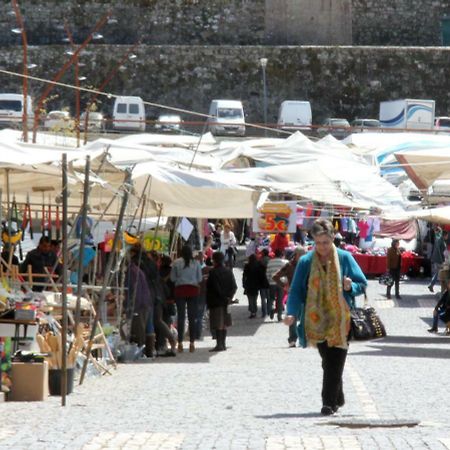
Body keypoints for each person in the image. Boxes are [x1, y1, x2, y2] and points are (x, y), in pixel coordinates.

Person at [285, 219, 367, 416]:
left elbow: (361, 283)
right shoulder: (305, 261)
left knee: (335, 360)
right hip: (316, 318)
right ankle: (337, 395)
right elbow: (296, 290)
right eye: (318, 242)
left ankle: (328, 402)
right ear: (313, 241)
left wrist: (350, 286)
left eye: (325, 242)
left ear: (332, 239)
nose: (322, 247)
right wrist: (291, 313)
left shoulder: (345, 258)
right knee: (327, 360)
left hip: (342, 318)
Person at [170, 245, 202, 353]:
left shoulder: (176, 263)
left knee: (181, 316)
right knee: (192, 317)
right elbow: (200, 278)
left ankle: (180, 343)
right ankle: (192, 343)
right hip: (193, 290)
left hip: (180, 290)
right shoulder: (196, 263)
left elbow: (172, 278)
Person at [273, 246, 306, 347]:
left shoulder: (307, 265)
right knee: (293, 317)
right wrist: (284, 286)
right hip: (293, 295)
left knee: (305, 317)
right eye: (300, 255)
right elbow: (275, 276)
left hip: (305, 293)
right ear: (295, 255)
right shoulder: (289, 265)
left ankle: (303, 338)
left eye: (304, 255)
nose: (302, 257)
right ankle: (292, 339)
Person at [206, 251, 237, 352]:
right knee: (224, 323)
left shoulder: (213, 272)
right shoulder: (228, 271)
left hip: (216, 301)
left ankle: (219, 344)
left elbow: (215, 287)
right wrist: (229, 297)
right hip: (226, 301)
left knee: (218, 323)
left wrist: (223, 297)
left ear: (214, 260)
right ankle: (223, 344)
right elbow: (234, 286)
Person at [266, 249, 288, 321]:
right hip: (281, 283)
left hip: (272, 283)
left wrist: (269, 280)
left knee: (272, 298)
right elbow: (287, 273)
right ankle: (279, 316)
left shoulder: (270, 262)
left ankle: (272, 308)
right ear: (282, 255)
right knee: (280, 299)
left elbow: (267, 273)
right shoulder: (284, 262)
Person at [242, 254, 262, 318]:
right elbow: (260, 276)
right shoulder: (258, 266)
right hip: (256, 284)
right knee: (255, 298)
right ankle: (254, 311)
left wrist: (244, 284)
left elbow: (244, 275)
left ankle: (252, 312)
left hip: (248, 283)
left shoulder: (247, 266)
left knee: (250, 299)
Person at [428, 229, 448, 293]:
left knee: (437, 272)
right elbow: (439, 251)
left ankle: (431, 285)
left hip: (437, 259)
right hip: (439, 260)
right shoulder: (441, 241)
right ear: (445, 235)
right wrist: (442, 260)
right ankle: (433, 285)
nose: (447, 237)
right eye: (447, 235)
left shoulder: (439, 239)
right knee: (440, 273)